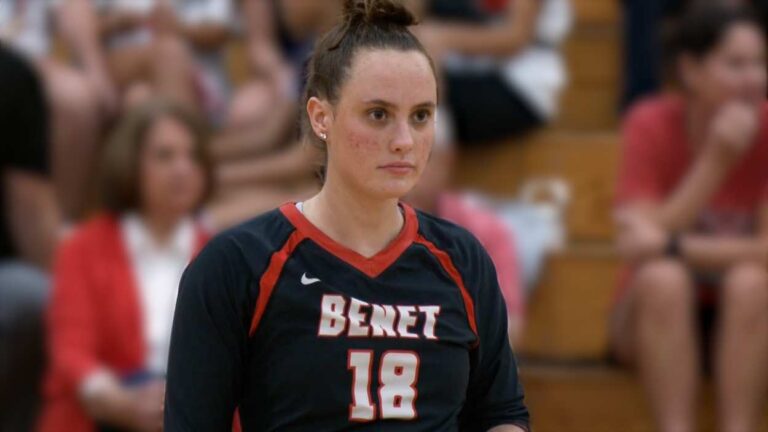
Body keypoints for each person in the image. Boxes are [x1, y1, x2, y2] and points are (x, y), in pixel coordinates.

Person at [164, 0, 530, 431]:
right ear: (321, 118)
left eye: (421, 116)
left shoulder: (463, 259)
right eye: (378, 115)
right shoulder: (235, 265)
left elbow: (502, 414)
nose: (403, 141)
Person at [612, 5, 768, 432]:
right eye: (736, 64)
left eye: (760, 63)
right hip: (654, 317)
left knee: (752, 282)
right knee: (663, 279)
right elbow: (632, 245)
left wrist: (672, 246)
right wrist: (716, 163)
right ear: (691, 70)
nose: (755, 78)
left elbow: (766, 252)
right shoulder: (649, 122)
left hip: (749, 315)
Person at [37, 100, 213, 432]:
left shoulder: (222, 254)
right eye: (165, 156)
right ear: (130, 165)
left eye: (193, 157)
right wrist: (119, 403)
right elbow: (71, 351)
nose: (183, 169)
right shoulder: (83, 248)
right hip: (102, 414)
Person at [403, 112, 525, 345]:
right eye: (400, 158)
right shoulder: (359, 227)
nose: (410, 171)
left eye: (425, 158)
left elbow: (511, 328)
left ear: (448, 160)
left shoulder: (487, 231)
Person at [0, 42, 60, 432]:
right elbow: (33, 216)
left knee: (42, 295)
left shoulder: (10, 76)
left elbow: (32, 213)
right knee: (42, 296)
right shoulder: (10, 74)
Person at [410, 0, 571, 144]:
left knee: (419, 110)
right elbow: (411, 22)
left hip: (518, 83)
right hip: (457, 72)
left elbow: (515, 37)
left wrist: (441, 38)